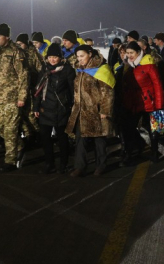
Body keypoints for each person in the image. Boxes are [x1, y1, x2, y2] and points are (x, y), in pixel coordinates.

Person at [66, 45, 115, 177]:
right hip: (81, 111)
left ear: (90, 54)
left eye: (82, 56)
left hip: (97, 111)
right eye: (78, 56)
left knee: (99, 140)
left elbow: (107, 92)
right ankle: (80, 166)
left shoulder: (101, 69)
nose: (79, 59)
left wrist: (105, 110)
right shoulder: (79, 69)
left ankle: (101, 165)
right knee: (80, 140)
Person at [0, 24, 29, 172]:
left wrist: (22, 96)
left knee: (10, 129)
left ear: (7, 37)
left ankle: (10, 160)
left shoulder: (17, 52)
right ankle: (19, 145)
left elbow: (23, 76)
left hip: (12, 97)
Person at [33, 43, 76, 174]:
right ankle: (49, 164)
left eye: (55, 57)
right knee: (45, 139)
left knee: (62, 139)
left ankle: (63, 164)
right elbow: (38, 90)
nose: (52, 59)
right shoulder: (44, 69)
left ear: (60, 58)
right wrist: (36, 107)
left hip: (61, 110)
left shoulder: (67, 70)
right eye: (50, 57)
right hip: (45, 110)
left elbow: (72, 90)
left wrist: (72, 106)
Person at [121, 41, 164, 164]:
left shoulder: (149, 64)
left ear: (139, 52)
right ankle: (129, 153)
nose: (129, 55)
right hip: (134, 103)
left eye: (132, 53)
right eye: (127, 53)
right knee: (129, 128)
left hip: (150, 103)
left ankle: (155, 153)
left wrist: (159, 105)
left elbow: (158, 86)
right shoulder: (128, 66)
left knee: (154, 130)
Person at [15, 33, 44, 142]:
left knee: (31, 114)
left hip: (31, 87)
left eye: (20, 44)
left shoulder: (33, 53)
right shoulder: (16, 53)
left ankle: (39, 135)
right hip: (20, 88)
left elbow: (41, 70)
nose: (18, 46)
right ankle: (29, 135)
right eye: (17, 44)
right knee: (21, 114)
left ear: (26, 44)